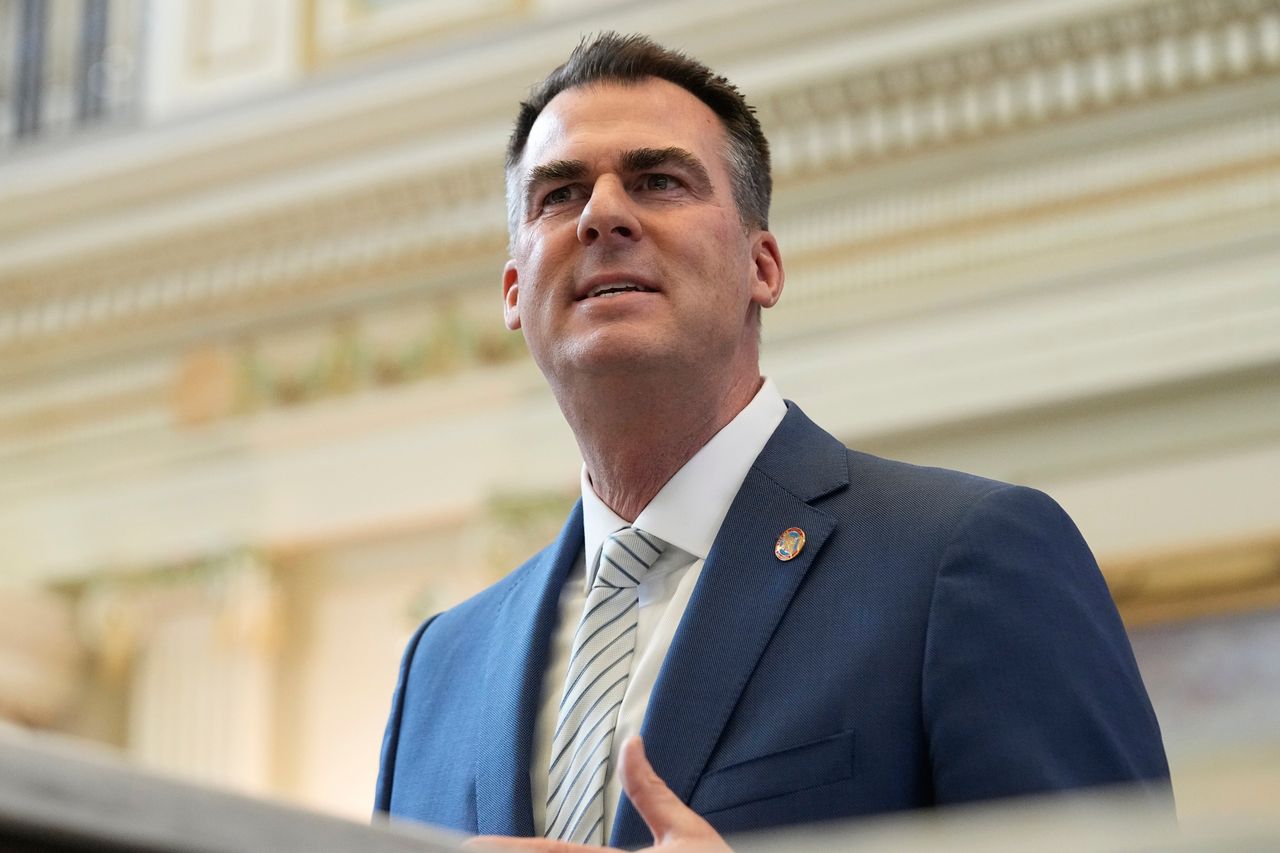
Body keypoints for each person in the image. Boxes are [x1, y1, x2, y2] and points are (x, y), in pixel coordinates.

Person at [374, 33, 1170, 851]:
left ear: (763, 266)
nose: (602, 214)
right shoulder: (440, 669)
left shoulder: (965, 557)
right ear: (514, 291)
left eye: (658, 181)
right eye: (560, 194)